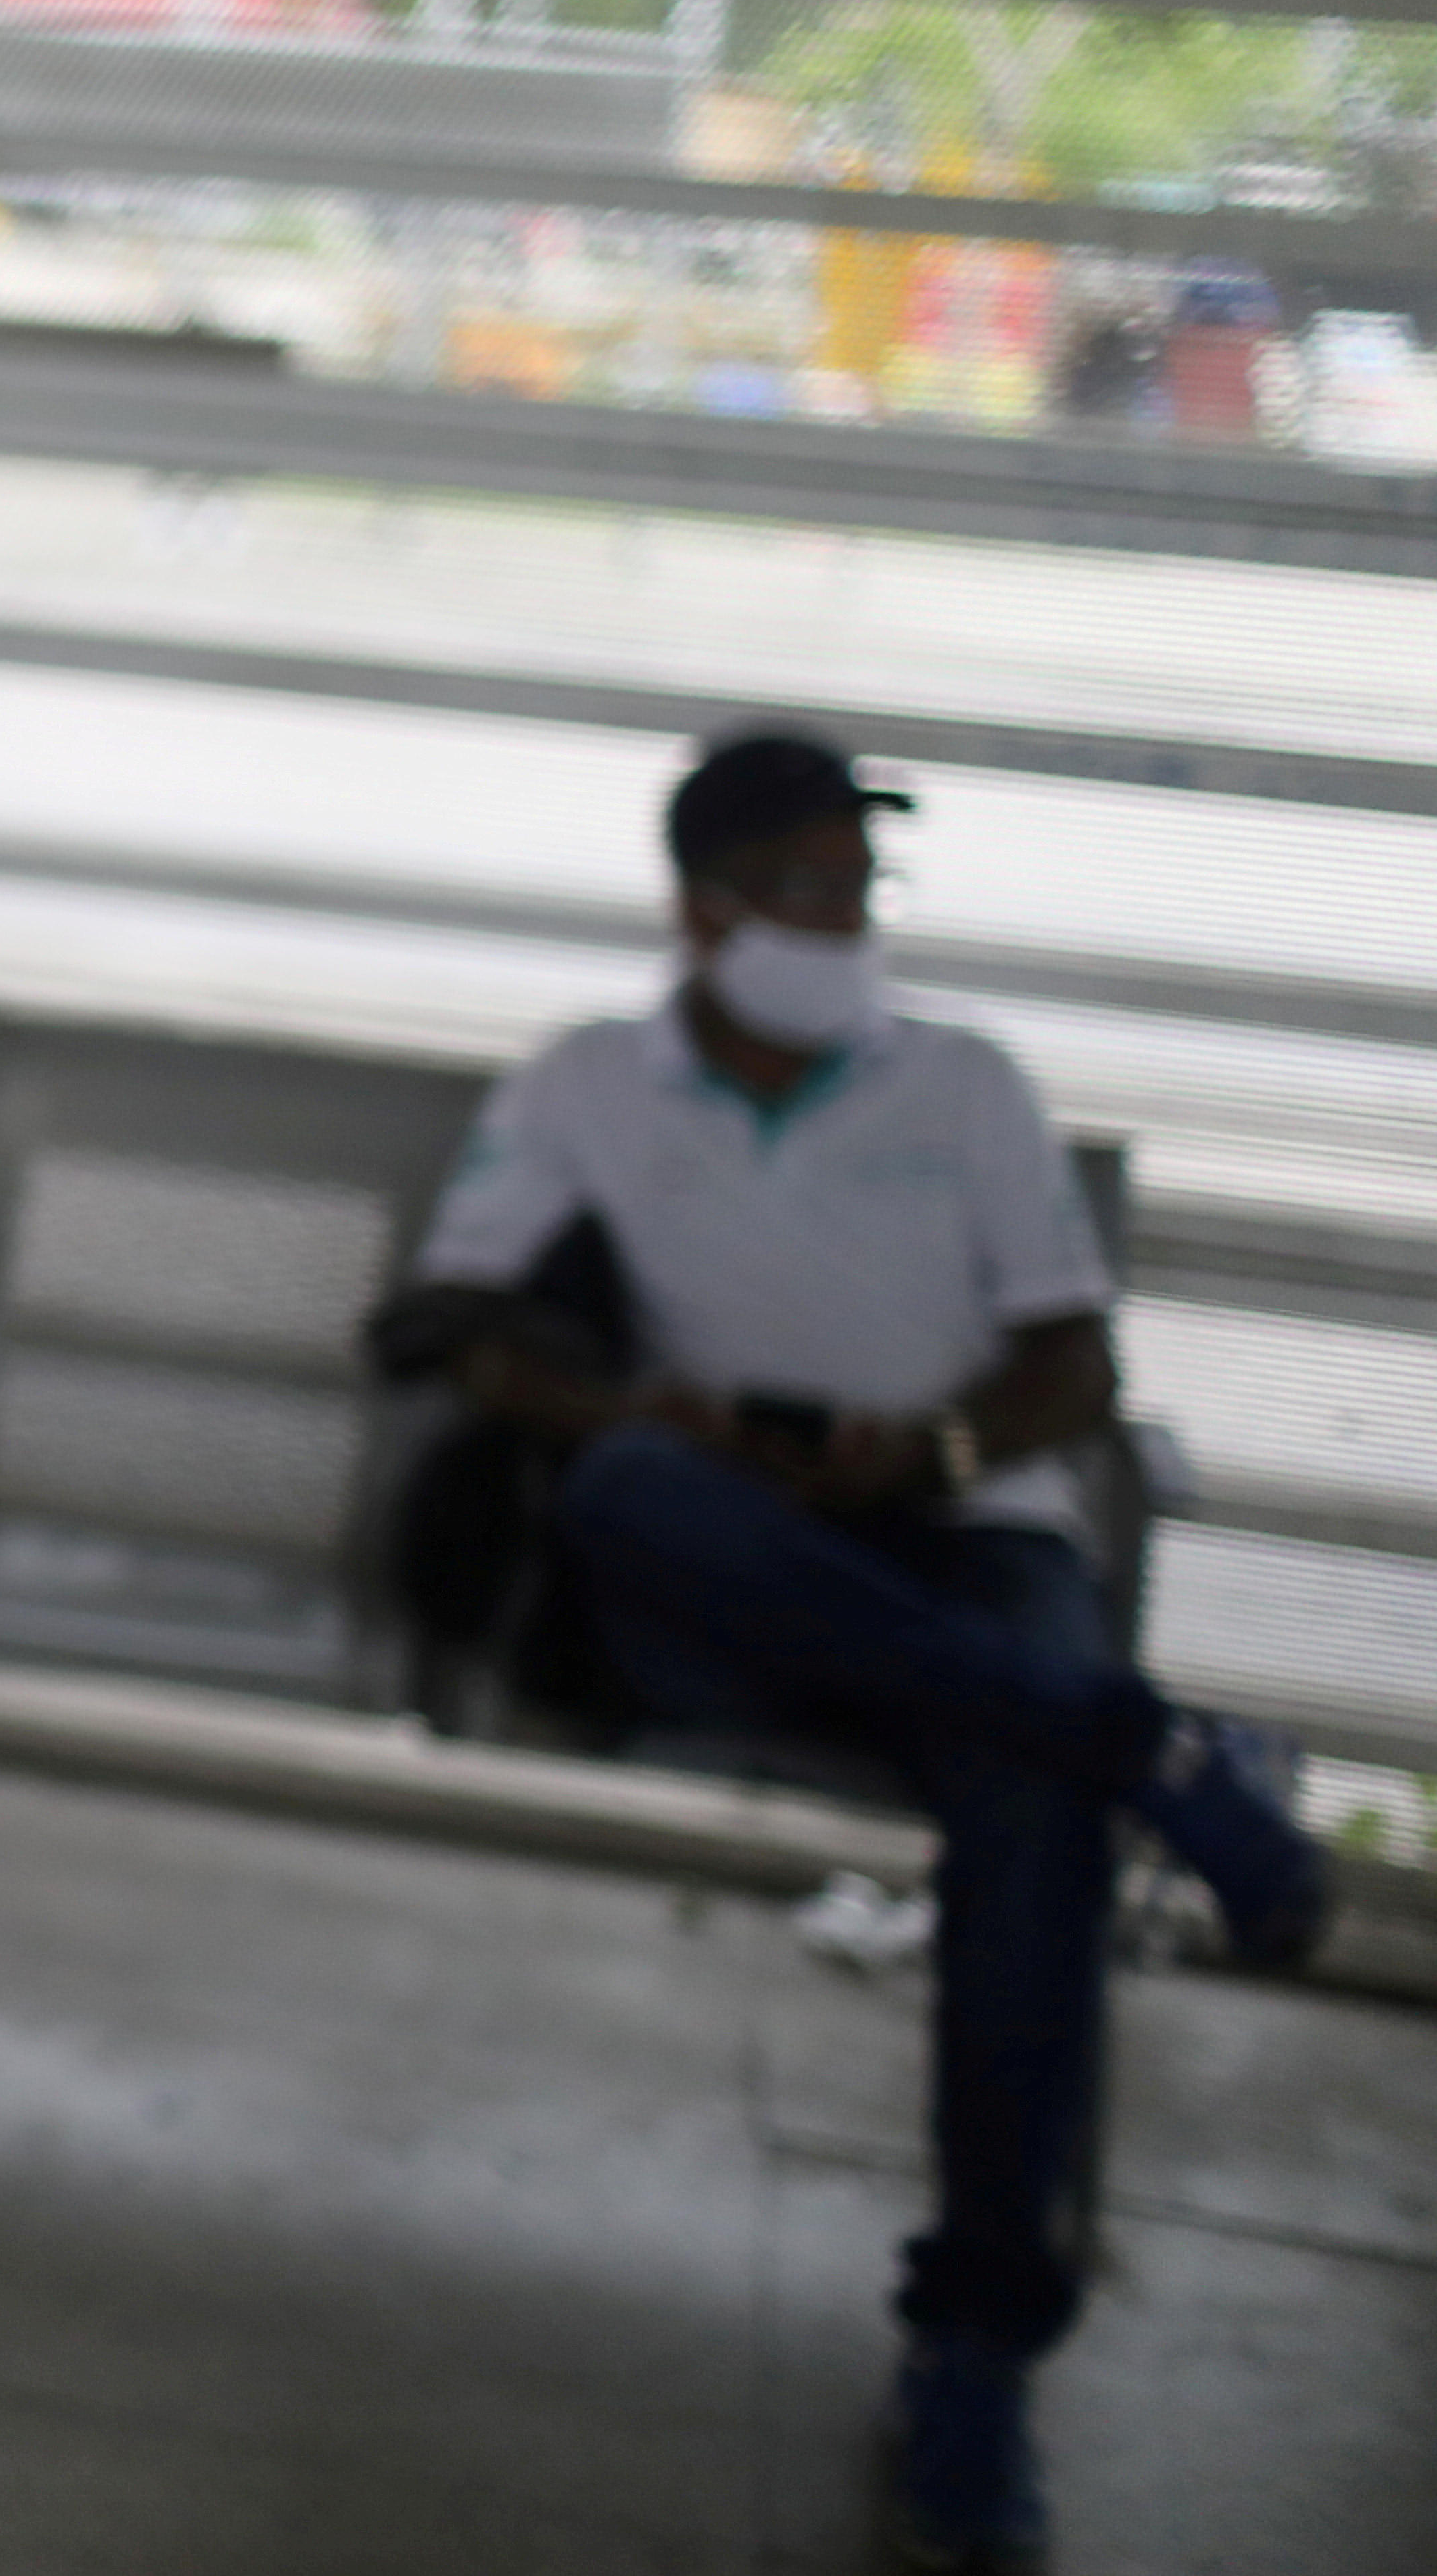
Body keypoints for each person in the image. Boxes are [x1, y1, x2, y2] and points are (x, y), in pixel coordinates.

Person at [381, 725, 1328, 2576]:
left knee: (1023, 1816)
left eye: (860, 887)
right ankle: (1148, 1751)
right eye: (809, 887)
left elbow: (1076, 1366)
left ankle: (972, 2348)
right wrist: (636, 1407)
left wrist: (940, 1449)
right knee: (635, 1494)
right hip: (725, 1555)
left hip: (963, 1538)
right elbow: (456, 1324)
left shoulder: (964, 1085)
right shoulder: (593, 1080)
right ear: (703, 910)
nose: (847, 918)